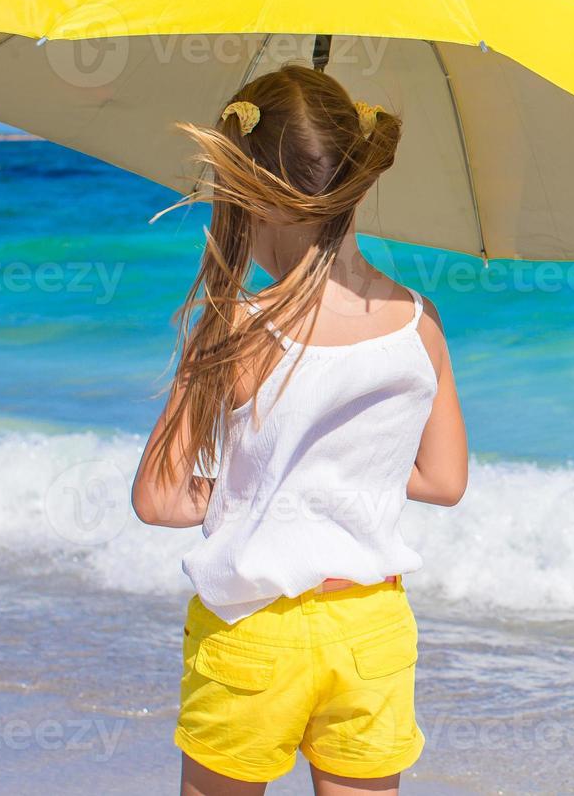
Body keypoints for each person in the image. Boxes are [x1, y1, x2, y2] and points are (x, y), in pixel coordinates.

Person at [131, 65, 469, 796]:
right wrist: (340, 482)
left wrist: (241, 487)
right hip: (374, 629)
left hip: (256, 631)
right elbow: (443, 482)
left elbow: (160, 500)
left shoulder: (234, 329)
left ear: (248, 195)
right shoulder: (420, 322)